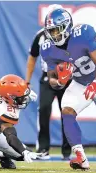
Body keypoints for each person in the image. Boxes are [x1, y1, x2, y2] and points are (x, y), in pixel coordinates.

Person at [41, 9, 96, 170]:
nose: (54, 35)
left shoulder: (83, 35)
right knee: (66, 110)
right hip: (79, 83)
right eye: (50, 31)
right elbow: (50, 78)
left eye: (56, 30)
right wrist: (59, 81)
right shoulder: (47, 48)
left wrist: (95, 84)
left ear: (66, 27)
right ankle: (81, 157)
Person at [26, 4, 71, 159]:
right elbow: (32, 57)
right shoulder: (40, 36)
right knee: (44, 110)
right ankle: (43, 148)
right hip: (47, 78)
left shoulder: (70, 36)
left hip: (67, 78)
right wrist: (27, 80)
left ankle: (68, 150)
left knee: (68, 112)